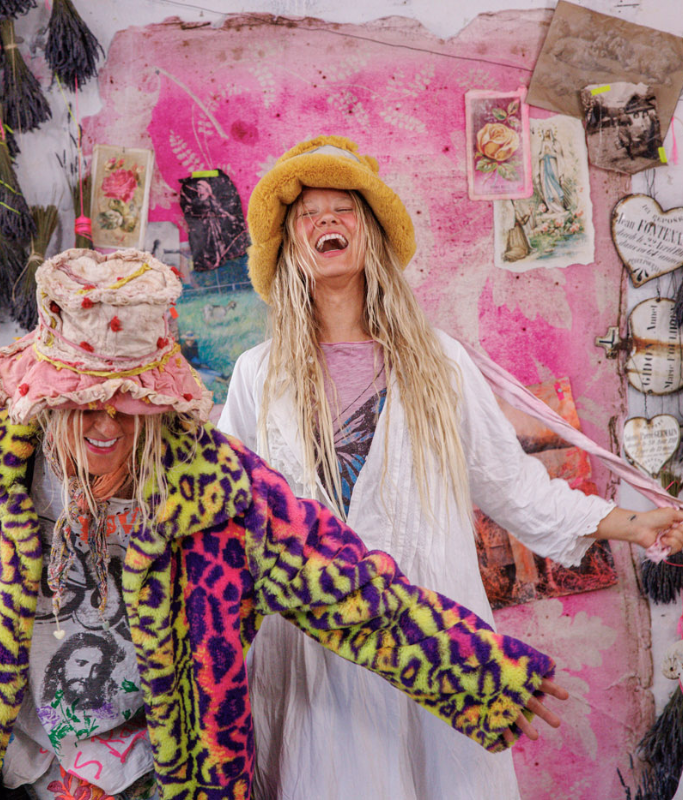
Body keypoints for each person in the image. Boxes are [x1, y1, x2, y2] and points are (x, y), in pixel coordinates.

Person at [0, 248, 569, 800]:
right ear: (45, 398)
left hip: (161, 778)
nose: (104, 425)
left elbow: (348, 588)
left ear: (158, 406)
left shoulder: (216, 491)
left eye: (126, 405)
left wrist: (481, 672)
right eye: (81, 403)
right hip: (4, 776)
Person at [217, 135, 683, 800]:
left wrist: (632, 524)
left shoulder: (438, 362)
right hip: (309, 650)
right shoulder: (257, 374)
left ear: (371, 231)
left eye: (343, 209)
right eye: (308, 214)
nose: (326, 222)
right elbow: (227, 510)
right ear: (289, 243)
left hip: (433, 636)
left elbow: (512, 486)